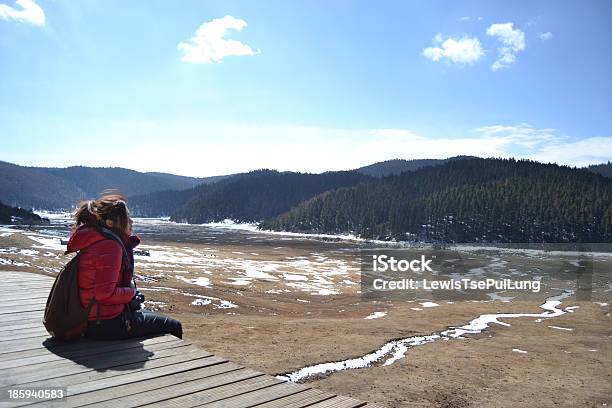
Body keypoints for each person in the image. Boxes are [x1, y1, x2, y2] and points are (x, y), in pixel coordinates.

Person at [66, 192, 182, 340]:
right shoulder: (110, 246)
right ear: (110, 223)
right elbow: (104, 294)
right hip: (106, 323)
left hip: (96, 318)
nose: (131, 221)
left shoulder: (100, 241)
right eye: (126, 217)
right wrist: (131, 293)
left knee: (157, 318)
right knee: (174, 326)